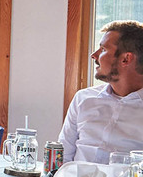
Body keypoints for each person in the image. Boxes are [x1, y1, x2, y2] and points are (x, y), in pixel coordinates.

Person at [59, 20, 143, 163]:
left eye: (103, 49)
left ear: (126, 58)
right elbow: (62, 156)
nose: (94, 55)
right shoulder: (83, 98)